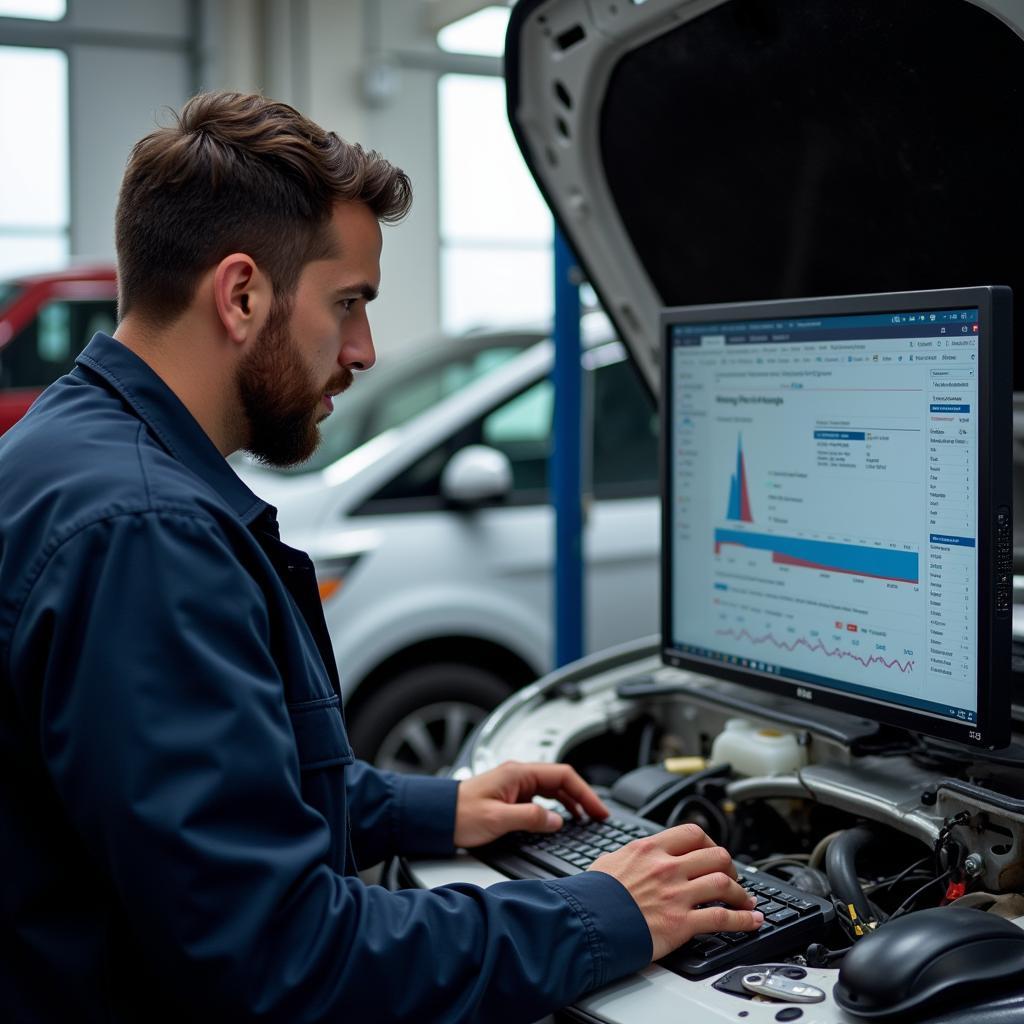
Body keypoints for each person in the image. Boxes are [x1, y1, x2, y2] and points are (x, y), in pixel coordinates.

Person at [0, 91, 762, 1022]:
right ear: (241, 294)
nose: (363, 350)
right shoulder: (149, 532)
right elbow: (281, 957)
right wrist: (606, 910)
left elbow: (184, 806)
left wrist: (432, 809)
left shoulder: (72, 451)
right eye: (348, 303)